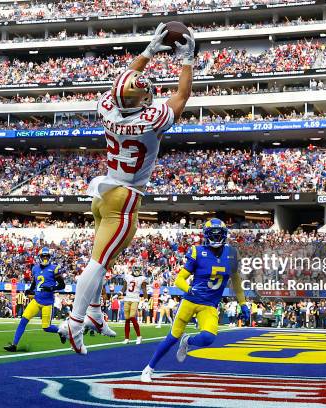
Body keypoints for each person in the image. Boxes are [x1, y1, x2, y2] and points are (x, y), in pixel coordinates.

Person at [66, 23, 195, 354]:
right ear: (142, 101)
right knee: (97, 263)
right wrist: (187, 59)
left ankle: (94, 312)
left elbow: (121, 84)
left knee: (104, 259)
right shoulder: (151, 120)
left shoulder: (106, 109)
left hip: (103, 193)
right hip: (124, 199)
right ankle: (75, 320)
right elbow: (182, 95)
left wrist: (148, 52)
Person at [141, 219, 250, 382]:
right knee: (172, 338)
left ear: (224, 235)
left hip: (210, 305)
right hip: (190, 301)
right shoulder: (197, 251)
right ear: (206, 236)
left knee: (208, 338)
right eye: (212, 234)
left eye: (218, 234)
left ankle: (188, 340)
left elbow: (236, 282)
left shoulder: (231, 254)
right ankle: (148, 369)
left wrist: (243, 304)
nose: (215, 237)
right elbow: (179, 280)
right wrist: (189, 289)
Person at [4, 248, 66, 352]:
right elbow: (35, 282)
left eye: (47, 256)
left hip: (48, 303)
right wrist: (30, 290)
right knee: (23, 320)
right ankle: (14, 345)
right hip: (37, 300)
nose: (45, 258)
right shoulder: (35, 269)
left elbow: (62, 285)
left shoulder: (54, 268)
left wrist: (51, 288)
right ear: (40, 257)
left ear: (49, 257)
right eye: (43, 256)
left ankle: (61, 331)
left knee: (46, 328)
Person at [122, 264, 147, 344]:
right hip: (127, 298)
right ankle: (126, 338)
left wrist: (146, 299)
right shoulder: (128, 276)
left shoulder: (142, 278)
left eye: (138, 269)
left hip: (135, 299)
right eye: (136, 269)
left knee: (132, 317)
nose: (137, 271)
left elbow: (144, 289)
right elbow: (124, 287)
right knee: (127, 319)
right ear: (133, 269)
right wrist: (119, 292)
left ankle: (139, 336)